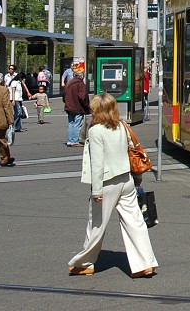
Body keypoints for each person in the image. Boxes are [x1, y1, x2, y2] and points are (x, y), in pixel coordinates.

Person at [67, 93, 158, 278]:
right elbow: (133, 150)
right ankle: (145, 263)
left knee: (97, 225)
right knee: (135, 222)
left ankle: (85, 263)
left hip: (107, 183)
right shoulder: (122, 125)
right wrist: (137, 177)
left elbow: (97, 164)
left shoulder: (95, 130)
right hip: (126, 180)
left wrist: (96, 190)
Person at [64, 72, 90, 147]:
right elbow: (82, 97)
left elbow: (64, 95)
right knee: (77, 124)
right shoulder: (80, 84)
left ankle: (70, 140)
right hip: (78, 107)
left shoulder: (69, 83)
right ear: (81, 77)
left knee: (71, 124)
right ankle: (74, 141)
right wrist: (86, 106)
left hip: (69, 107)